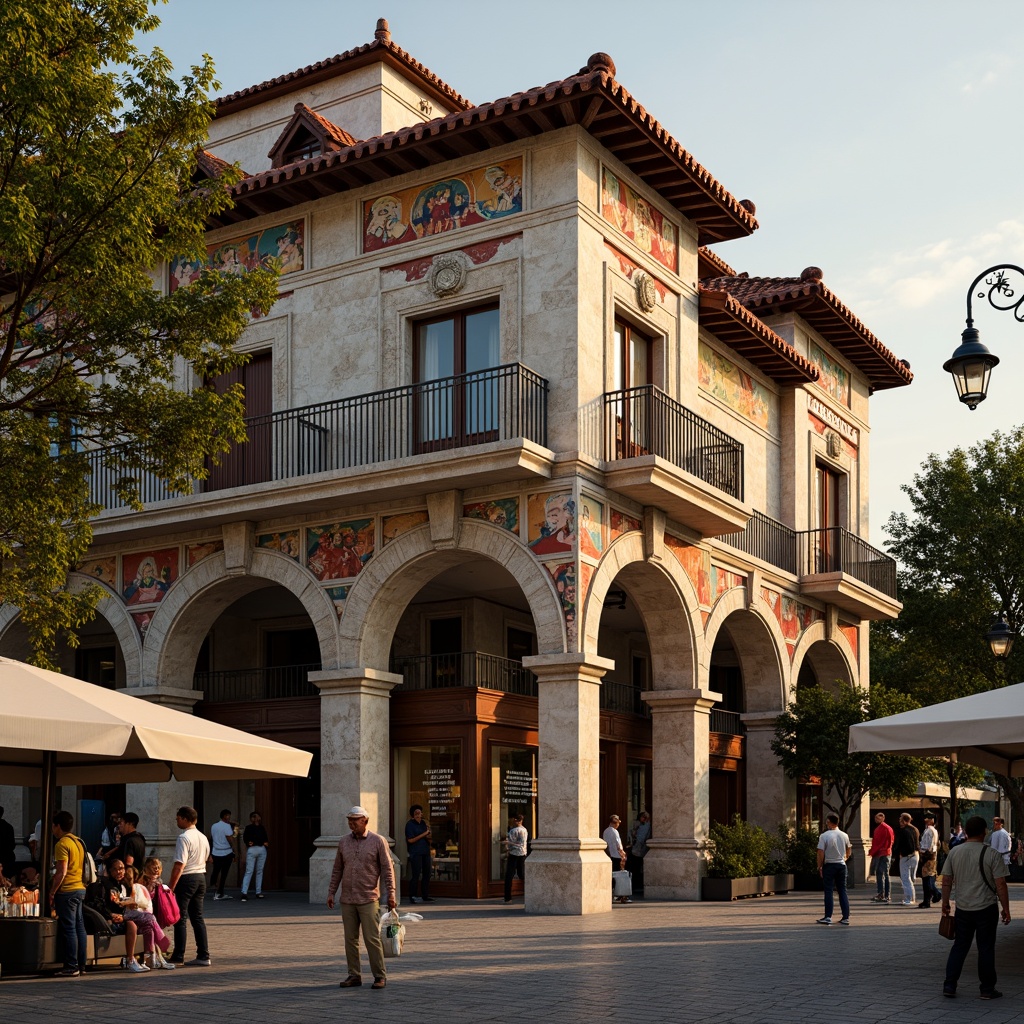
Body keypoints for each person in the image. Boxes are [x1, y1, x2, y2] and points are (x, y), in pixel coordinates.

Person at [326, 806, 397, 990]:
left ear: (365, 821)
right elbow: (337, 869)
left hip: (368, 898)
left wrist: (391, 894)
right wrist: (331, 892)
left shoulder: (378, 841)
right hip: (347, 899)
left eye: (355, 820)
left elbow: (387, 870)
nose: (351, 823)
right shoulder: (343, 842)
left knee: (371, 939)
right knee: (350, 939)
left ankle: (380, 976)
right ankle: (354, 975)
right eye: (349, 820)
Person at [941, 815, 1011, 999]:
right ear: (984, 832)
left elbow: (946, 881)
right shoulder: (992, 854)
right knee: (986, 947)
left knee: (960, 946)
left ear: (966, 832)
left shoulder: (955, 852)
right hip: (986, 907)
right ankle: (987, 989)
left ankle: (949, 985)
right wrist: (1006, 908)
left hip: (963, 908)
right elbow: (1001, 884)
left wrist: (945, 903)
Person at [87, 858, 155, 973]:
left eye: (122, 869)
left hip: (121, 916)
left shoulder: (120, 885)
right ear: (109, 871)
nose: (120, 872)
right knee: (134, 924)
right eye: (116, 869)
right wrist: (111, 915)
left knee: (149, 920)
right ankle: (131, 960)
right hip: (110, 920)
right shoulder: (105, 885)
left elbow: (119, 903)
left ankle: (148, 958)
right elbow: (100, 905)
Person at [167, 805, 212, 967]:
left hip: (187, 878)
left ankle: (178, 954)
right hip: (201, 876)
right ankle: (203, 954)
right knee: (198, 917)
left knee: (180, 918)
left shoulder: (184, 837)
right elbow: (207, 858)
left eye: (178, 818)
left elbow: (179, 865)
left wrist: (170, 887)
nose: (177, 821)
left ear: (185, 819)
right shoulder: (203, 837)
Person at [50, 810, 88, 976]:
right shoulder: (78, 841)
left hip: (67, 890)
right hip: (80, 888)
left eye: (53, 825)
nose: (52, 829)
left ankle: (71, 966)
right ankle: (82, 964)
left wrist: (52, 891)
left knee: (69, 928)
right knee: (80, 927)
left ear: (58, 826)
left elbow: (61, 872)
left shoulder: (61, 844)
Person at [816, 812, 851, 925]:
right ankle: (845, 917)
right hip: (841, 865)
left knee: (829, 890)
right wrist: (845, 858)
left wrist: (820, 866)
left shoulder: (824, 836)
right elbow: (849, 849)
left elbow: (820, 852)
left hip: (829, 864)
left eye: (827, 821)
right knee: (842, 890)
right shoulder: (844, 835)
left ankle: (828, 916)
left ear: (829, 822)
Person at [404, 804, 433, 904]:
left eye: (419, 813)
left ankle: (425, 895)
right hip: (415, 853)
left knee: (427, 873)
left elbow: (429, 839)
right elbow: (410, 840)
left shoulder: (424, 824)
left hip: (425, 852)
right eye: (416, 813)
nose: (418, 815)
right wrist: (424, 834)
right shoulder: (409, 825)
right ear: (412, 814)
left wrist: (429, 834)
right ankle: (413, 895)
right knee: (416, 874)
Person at [240, 811, 269, 902]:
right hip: (253, 849)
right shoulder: (248, 828)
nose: (256, 819)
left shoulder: (262, 828)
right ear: (251, 819)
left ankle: (258, 891)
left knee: (259, 871)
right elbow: (245, 839)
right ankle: (244, 892)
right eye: (254, 817)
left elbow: (265, 838)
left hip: (260, 848)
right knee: (250, 871)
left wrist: (263, 844)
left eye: (257, 817)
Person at [209, 808, 236, 900]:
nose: (229, 817)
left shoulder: (214, 826)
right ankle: (219, 892)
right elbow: (230, 838)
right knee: (224, 873)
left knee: (216, 871)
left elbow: (212, 838)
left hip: (216, 851)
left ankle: (215, 887)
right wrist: (235, 850)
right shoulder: (227, 826)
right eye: (228, 815)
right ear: (225, 816)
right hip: (226, 852)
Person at [868, 811, 894, 903]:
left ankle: (885, 895)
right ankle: (882, 894)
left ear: (882, 818)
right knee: (881, 874)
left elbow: (885, 841)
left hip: (883, 853)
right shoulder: (884, 828)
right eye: (875, 818)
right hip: (882, 853)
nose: (876, 819)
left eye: (877, 818)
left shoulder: (884, 828)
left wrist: (874, 851)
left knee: (883, 874)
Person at [502, 814, 528, 904]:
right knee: (522, 875)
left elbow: (512, 844)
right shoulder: (524, 830)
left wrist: (507, 844)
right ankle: (528, 894)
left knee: (509, 876)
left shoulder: (513, 830)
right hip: (522, 854)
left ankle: (507, 897)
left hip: (513, 854)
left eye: (515, 820)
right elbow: (522, 844)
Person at [603, 814, 629, 903]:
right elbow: (618, 845)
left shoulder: (606, 831)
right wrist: (623, 855)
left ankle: (612, 893)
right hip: (617, 856)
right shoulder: (615, 832)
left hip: (610, 855)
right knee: (619, 876)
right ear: (616, 823)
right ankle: (620, 894)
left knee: (612, 875)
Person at [896, 813, 920, 906]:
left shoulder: (905, 831)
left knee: (906, 878)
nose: (899, 821)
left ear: (904, 821)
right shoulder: (915, 829)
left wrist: (902, 853)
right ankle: (912, 897)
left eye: (900, 819)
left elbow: (908, 845)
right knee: (911, 878)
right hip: (915, 855)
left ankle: (909, 898)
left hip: (907, 856)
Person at [627, 811, 652, 897]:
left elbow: (640, 838)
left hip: (639, 850)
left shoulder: (645, 826)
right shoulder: (641, 825)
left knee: (636, 868)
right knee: (635, 868)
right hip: (638, 850)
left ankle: (636, 885)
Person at [919, 812, 941, 908]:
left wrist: (924, 853)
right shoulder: (932, 830)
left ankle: (936, 894)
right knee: (928, 878)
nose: (925, 820)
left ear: (932, 820)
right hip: (930, 855)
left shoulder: (929, 831)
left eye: (927, 818)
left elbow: (929, 845)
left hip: (928, 856)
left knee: (927, 879)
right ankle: (927, 900)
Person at [0, 806, 15, 879]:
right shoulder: (9, 827)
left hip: (5, 858)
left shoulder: (8, 827)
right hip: (7, 858)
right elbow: (12, 845)